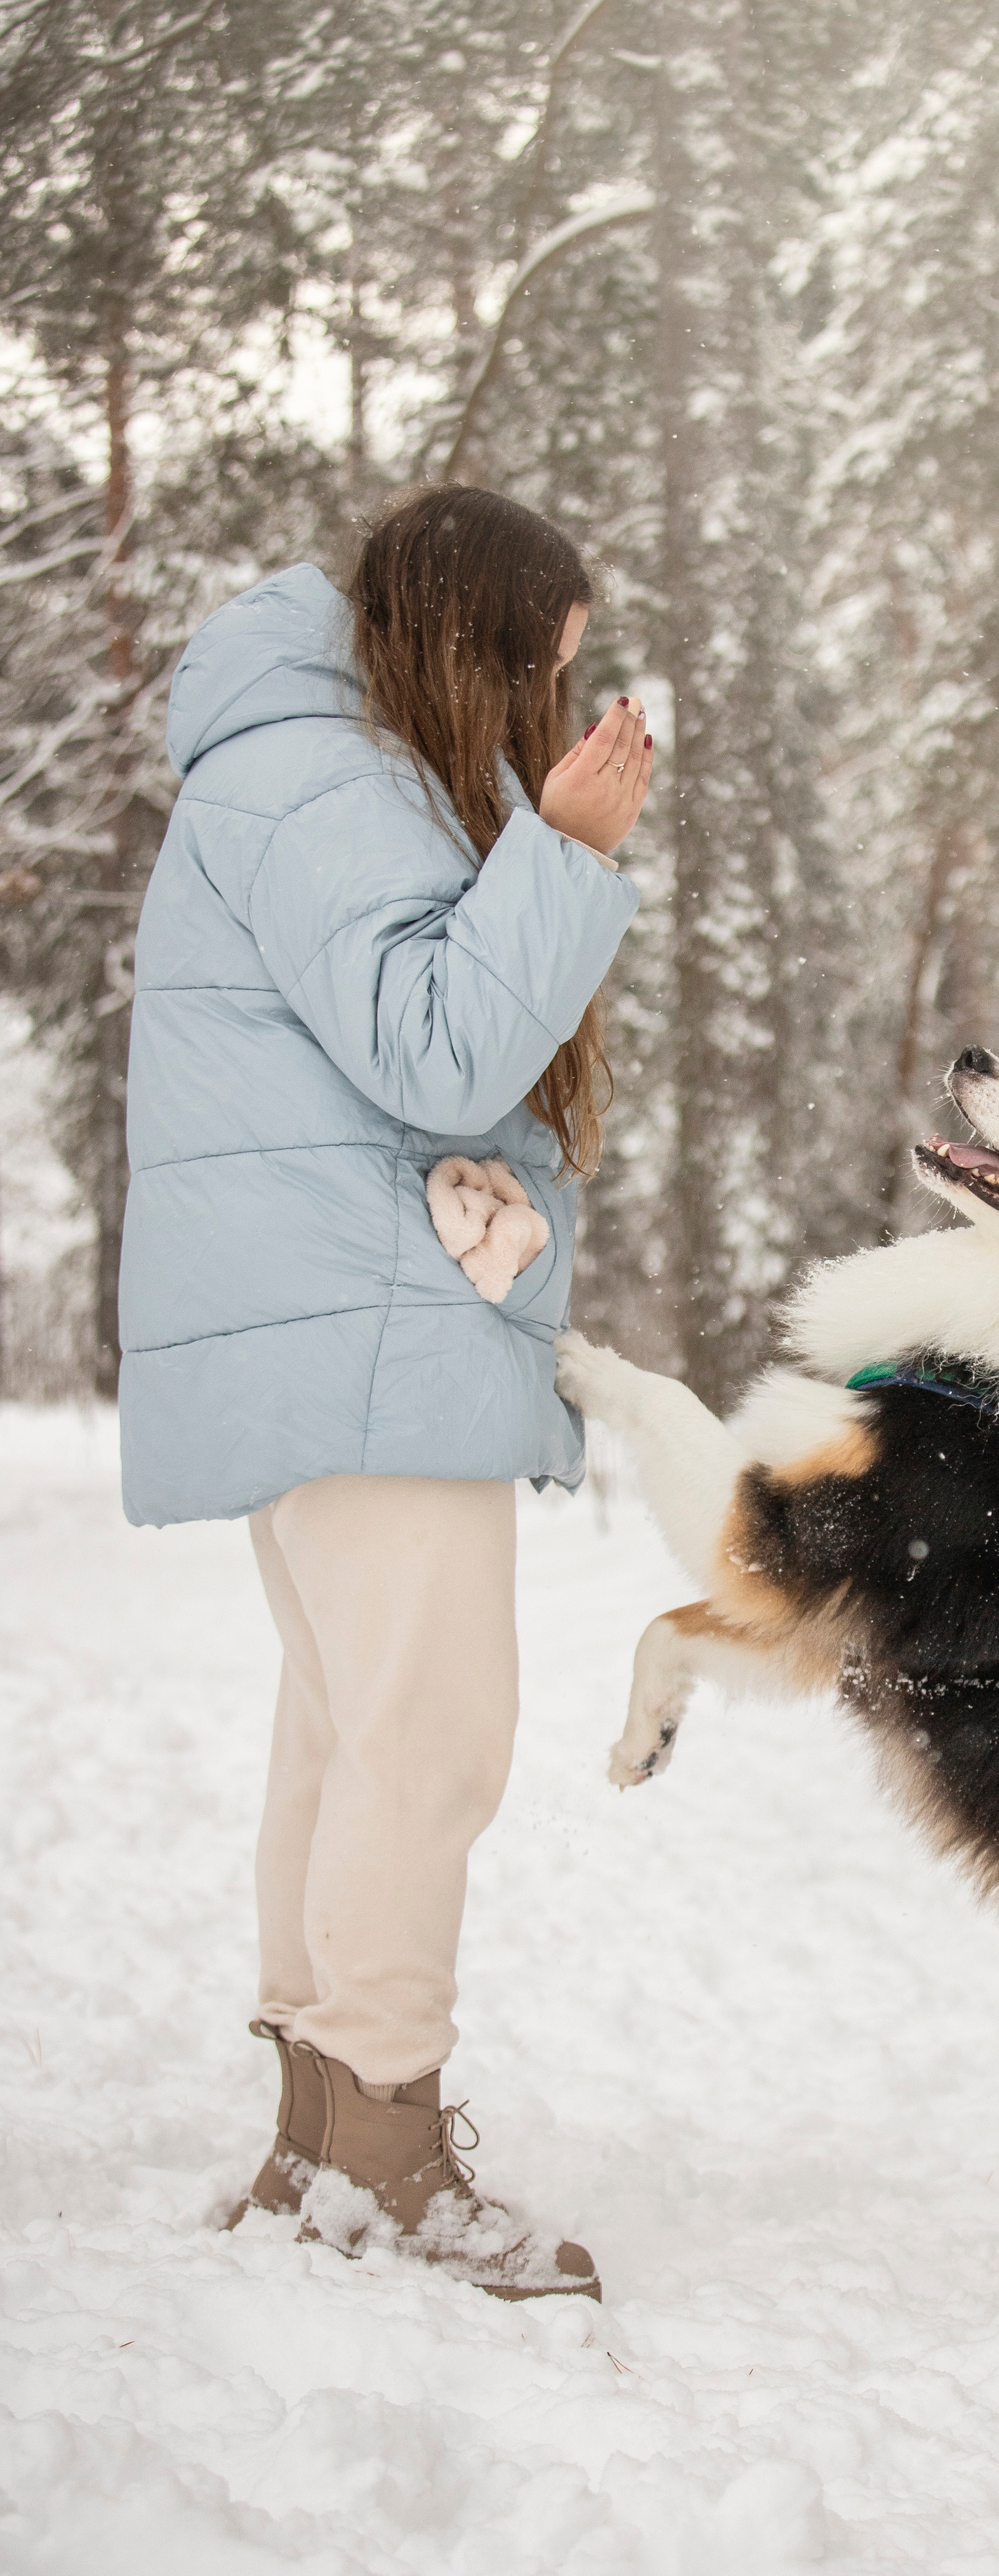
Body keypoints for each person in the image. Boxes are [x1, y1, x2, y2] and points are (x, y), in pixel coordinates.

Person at [119, 484, 652, 2299]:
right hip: (358, 1317)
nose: (541, 711)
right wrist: (562, 854)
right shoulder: (329, 775)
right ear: (470, 639)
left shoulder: (311, 760)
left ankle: (320, 2143)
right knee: (426, 1737)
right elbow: (435, 1051)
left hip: (337, 1313)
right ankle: (382, 2154)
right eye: (538, 672)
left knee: (350, 1732)